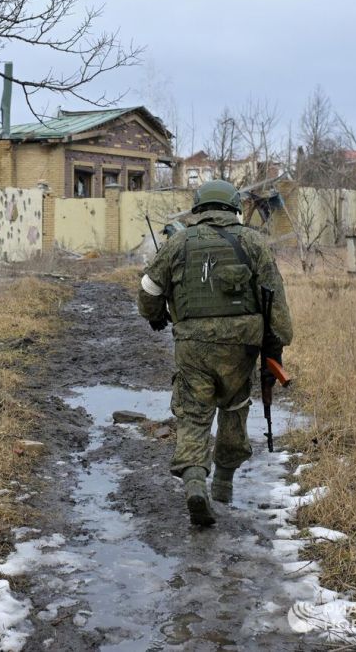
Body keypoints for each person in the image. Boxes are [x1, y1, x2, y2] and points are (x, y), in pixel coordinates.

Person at [137, 180, 292, 526]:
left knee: (193, 413)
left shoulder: (178, 242)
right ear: (233, 208)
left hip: (194, 347)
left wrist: (157, 316)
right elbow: (275, 303)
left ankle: (195, 482)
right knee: (235, 407)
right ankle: (222, 484)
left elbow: (148, 289)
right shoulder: (253, 243)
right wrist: (276, 347)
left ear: (199, 208)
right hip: (241, 348)